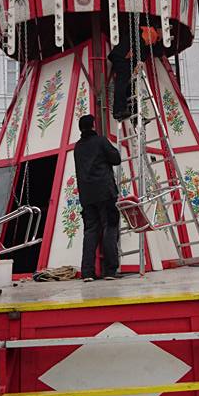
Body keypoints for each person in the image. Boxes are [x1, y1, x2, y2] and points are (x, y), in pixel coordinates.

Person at [73, 114, 121, 282]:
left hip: (87, 195)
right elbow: (116, 159)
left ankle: (87, 272)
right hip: (105, 192)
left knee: (91, 231)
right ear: (93, 125)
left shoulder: (77, 147)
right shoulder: (100, 141)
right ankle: (110, 270)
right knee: (110, 227)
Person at [108, 19, 165, 120]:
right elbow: (141, 47)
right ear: (160, 30)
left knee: (128, 85)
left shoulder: (150, 34)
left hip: (124, 56)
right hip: (123, 56)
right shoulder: (151, 33)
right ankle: (119, 110)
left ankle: (134, 116)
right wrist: (139, 60)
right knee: (122, 81)